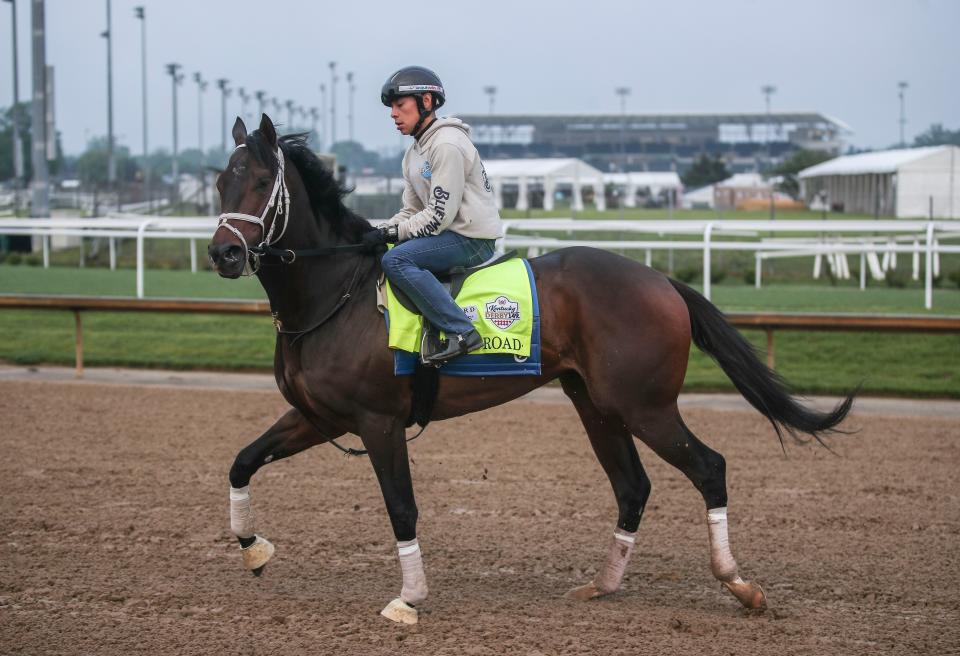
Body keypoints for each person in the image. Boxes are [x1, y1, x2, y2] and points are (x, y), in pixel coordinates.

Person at [365, 66, 503, 365]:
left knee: (397, 259)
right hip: (449, 235)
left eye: (400, 106)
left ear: (426, 101)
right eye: (392, 108)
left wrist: (393, 234)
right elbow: (412, 211)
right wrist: (380, 230)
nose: (393, 114)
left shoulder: (447, 144)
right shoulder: (413, 153)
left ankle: (463, 332)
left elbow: (439, 216)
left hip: (471, 239)